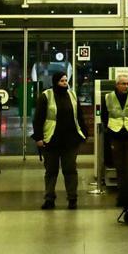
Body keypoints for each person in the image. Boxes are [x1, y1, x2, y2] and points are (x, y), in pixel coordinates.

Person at [31, 71, 86, 210]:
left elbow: (79, 115)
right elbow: (38, 118)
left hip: (70, 140)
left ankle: (72, 198)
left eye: (66, 80)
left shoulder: (72, 95)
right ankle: (49, 198)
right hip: (51, 140)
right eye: (62, 81)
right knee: (51, 171)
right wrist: (38, 137)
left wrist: (84, 133)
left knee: (70, 170)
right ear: (55, 82)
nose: (65, 83)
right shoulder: (46, 96)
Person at [101, 73, 128, 190]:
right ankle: (122, 193)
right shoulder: (108, 97)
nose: (126, 86)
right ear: (117, 85)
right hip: (115, 134)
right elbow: (104, 115)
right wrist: (109, 128)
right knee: (119, 166)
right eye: (124, 84)